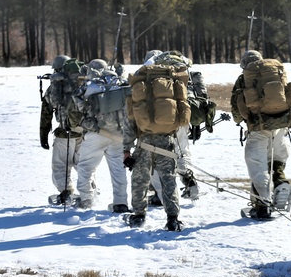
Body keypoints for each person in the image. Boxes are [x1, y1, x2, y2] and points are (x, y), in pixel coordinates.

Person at [122, 54, 189, 231]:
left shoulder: (139, 89)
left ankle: (138, 216)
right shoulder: (172, 86)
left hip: (144, 142)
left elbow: (130, 121)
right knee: (169, 181)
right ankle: (172, 219)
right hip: (167, 140)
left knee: (140, 181)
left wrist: (126, 150)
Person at [230, 50, 291, 219]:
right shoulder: (274, 73)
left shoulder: (245, 79)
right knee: (276, 160)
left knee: (257, 166)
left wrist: (243, 119)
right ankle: (281, 183)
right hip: (280, 125)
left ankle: (262, 206)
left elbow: (237, 111)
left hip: (258, 128)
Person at [143, 50, 202, 203]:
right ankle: (189, 179)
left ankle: (159, 193)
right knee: (182, 151)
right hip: (183, 116)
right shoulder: (178, 70)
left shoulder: (151, 73)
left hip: (161, 119)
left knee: (157, 154)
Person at [73, 59, 130, 212]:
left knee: (85, 167)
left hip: (96, 133)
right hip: (118, 134)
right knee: (118, 170)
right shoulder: (119, 83)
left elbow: (79, 106)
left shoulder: (91, 86)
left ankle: (86, 199)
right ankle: (121, 203)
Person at [39, 54, 85, 205]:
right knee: (83, 164)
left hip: (64, 133)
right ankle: (88, 190)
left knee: (60, 165)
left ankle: (66, 191)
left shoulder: (55, 87)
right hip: (84, 132)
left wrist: (43, 135)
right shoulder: (82, 82)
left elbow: (46, 112)